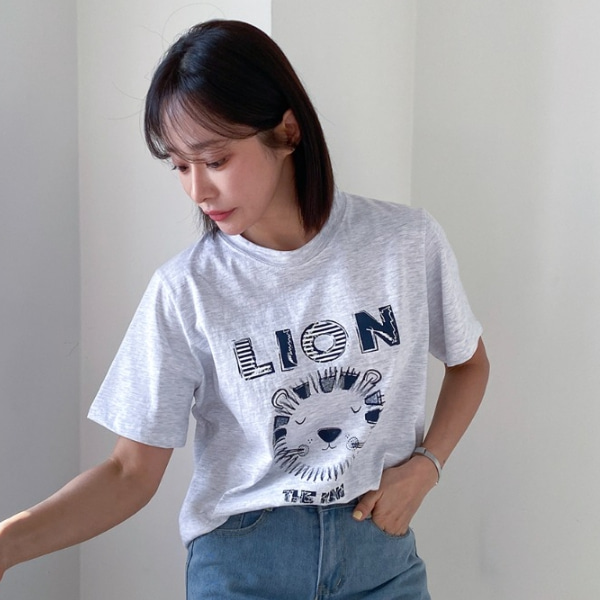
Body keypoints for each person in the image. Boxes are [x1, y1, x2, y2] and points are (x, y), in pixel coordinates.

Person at [0, 19, 489, 599]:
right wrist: (8, 545)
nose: (197, 190)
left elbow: (469, 364)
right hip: (244, 567)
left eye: (214, 159)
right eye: (180, 165)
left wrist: (427, 467)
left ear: (287, 131)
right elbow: (129, 472)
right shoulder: (187, 290)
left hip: (380, 559)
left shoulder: (404, 242)